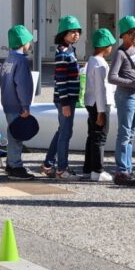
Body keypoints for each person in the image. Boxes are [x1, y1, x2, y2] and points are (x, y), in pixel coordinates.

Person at [109, 15, 135, 186]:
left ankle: (128, 168)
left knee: (131, 134)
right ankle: (121, 170)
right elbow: (112, 77)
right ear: (123, 35)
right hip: (126, 96)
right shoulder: (120, 54)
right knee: (124, 133)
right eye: (132, 33)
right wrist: (134, 83)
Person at [41, 15, 83, 181]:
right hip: (65, 99)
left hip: (69, 98)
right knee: (66, 133)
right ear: (63, 34)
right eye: (72, 32)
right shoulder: (62, 53)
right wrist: (65, 102)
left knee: (62, 131)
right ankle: (62, 169)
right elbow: (61, 79)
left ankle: (48, 164)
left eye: (77, 31)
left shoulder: (71, 50)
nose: (75, 35)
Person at [1, 24, 36, 180]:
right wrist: (25, 106)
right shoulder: (21, 61)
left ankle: (10, 162)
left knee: (12, 133)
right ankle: (15, 165)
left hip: (7, 103)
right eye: (28, 41)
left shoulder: (8, 59)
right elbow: (23, 85)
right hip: (18, 105)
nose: (29, 44)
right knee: (17, 137)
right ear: (23, 43)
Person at [83, 28, 116, 183]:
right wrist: (101, 112)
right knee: (100, 137)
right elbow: (100, 89)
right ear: (104, 46)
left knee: (92, 136)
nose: (111, 48)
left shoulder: (91, 60)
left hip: (91, 102)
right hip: (100, 104)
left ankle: (88, 168)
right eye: (110, 44)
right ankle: (97, 170)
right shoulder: (100, 64)